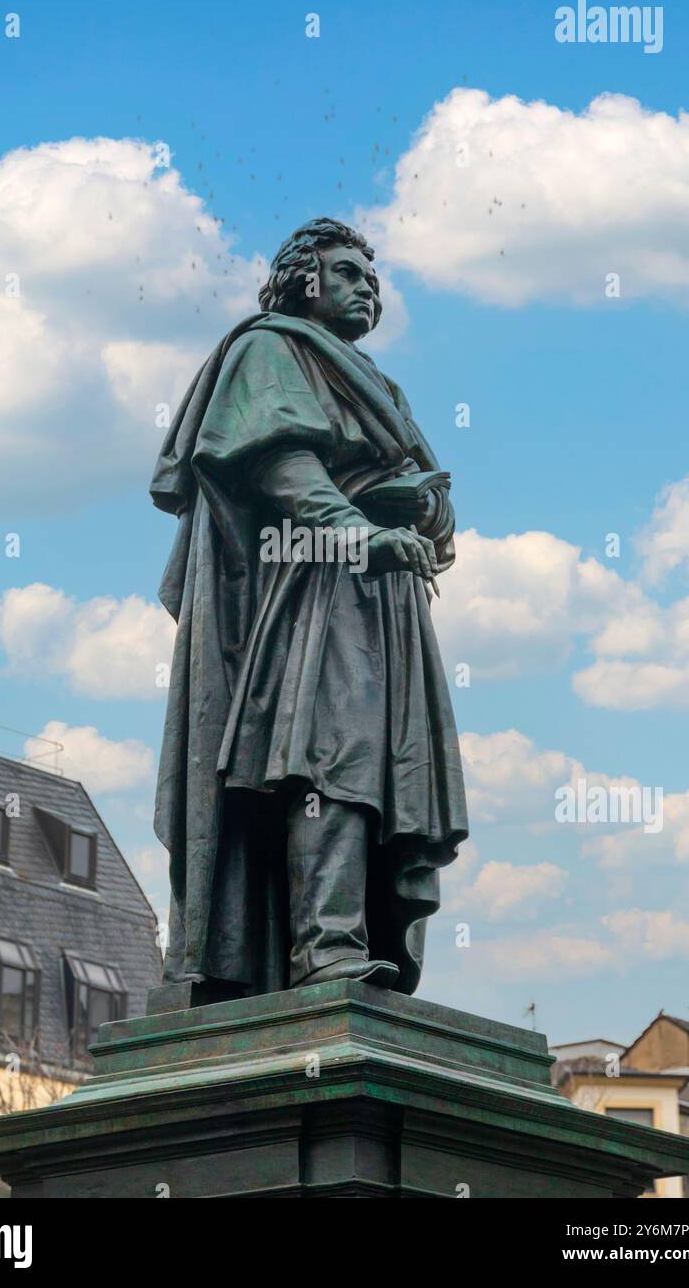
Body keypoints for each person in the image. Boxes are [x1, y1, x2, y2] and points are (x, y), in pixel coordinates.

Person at [150, 218, 468, 1001]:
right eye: (350, 273)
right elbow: (281, 465)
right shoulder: (270, 349)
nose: (368, 289)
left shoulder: (381, 385)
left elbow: (435, 499)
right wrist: (362, 530)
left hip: (388, 596)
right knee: (334, 758)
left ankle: (364, 942)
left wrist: (421, 514)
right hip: (317, 587)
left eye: (374, 280)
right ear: (306, 281)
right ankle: (325, 950)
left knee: (393, 775)